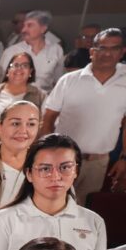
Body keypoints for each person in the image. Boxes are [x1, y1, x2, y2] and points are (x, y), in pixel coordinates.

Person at [41, 28, 126, 204]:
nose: (107, 53)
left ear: (122, 52)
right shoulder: (69, 80)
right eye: (102, 48)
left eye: (114, 48)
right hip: (63, 158)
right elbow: (48, 118)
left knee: (82, 211)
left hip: (98, 163)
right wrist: (48, 153)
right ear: (92, 51)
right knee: (50, 204)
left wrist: (124, 158)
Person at [0, 52, 45, 146]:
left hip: (21, 153)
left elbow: (45, 126)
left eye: (25, 66)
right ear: (8, 70)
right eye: (15, 65)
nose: (19, 68)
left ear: (30, 72)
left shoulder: (40, 96)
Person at [0, 11, 65, 92]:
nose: (23, 30)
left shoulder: (56, 50)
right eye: (24, 26)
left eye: (29, 25)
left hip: (45, 97)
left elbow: (58, 80)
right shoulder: (11, 51)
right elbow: (1, 80)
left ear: (43, 29)